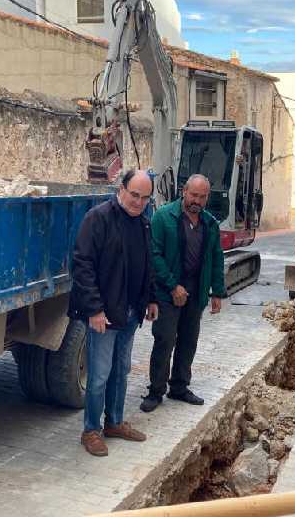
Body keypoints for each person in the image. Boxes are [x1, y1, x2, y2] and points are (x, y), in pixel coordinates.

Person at [69, 169, 159, 457]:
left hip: (131, 313)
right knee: (99, 375)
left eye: (145, 198)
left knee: (121, 371)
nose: (139, 202)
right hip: (104, 316)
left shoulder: (144, 224)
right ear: (121, 189)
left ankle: (115, 422)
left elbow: (148, 265)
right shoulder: (98, 219)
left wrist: (151, 299)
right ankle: (91, 430)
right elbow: (82, 266)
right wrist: (94, 309)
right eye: (135, 195)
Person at [141, 174, 226, 413]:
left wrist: (217, 292)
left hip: (196, 292)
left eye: (202, 196)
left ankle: (179, 387)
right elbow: (154, 255)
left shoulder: (210, 223)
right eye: (193, 195)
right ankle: (155, 391)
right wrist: (172, 286)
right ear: (184, 191)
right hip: (168, 293)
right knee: (165, 339)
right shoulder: (163, 217)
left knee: (188, 341)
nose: (196, 200)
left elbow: (217, 258)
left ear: (207, 197)